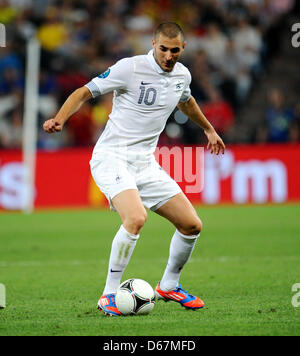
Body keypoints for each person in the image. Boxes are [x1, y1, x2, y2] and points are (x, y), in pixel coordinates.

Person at [43, 22, 225, 316]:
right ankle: (108, 294)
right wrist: (60, 119)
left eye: (174, 50)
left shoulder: (182, 75)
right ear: (153, 44)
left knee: (192, 225)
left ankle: (170, 285)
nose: (168, 56)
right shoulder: (130, 68)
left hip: (145, 163)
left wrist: (209, 129)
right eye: (163, 49)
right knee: (136, 218)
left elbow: (186, 100)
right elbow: (84, 92)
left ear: (183, 49)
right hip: (112, 157)